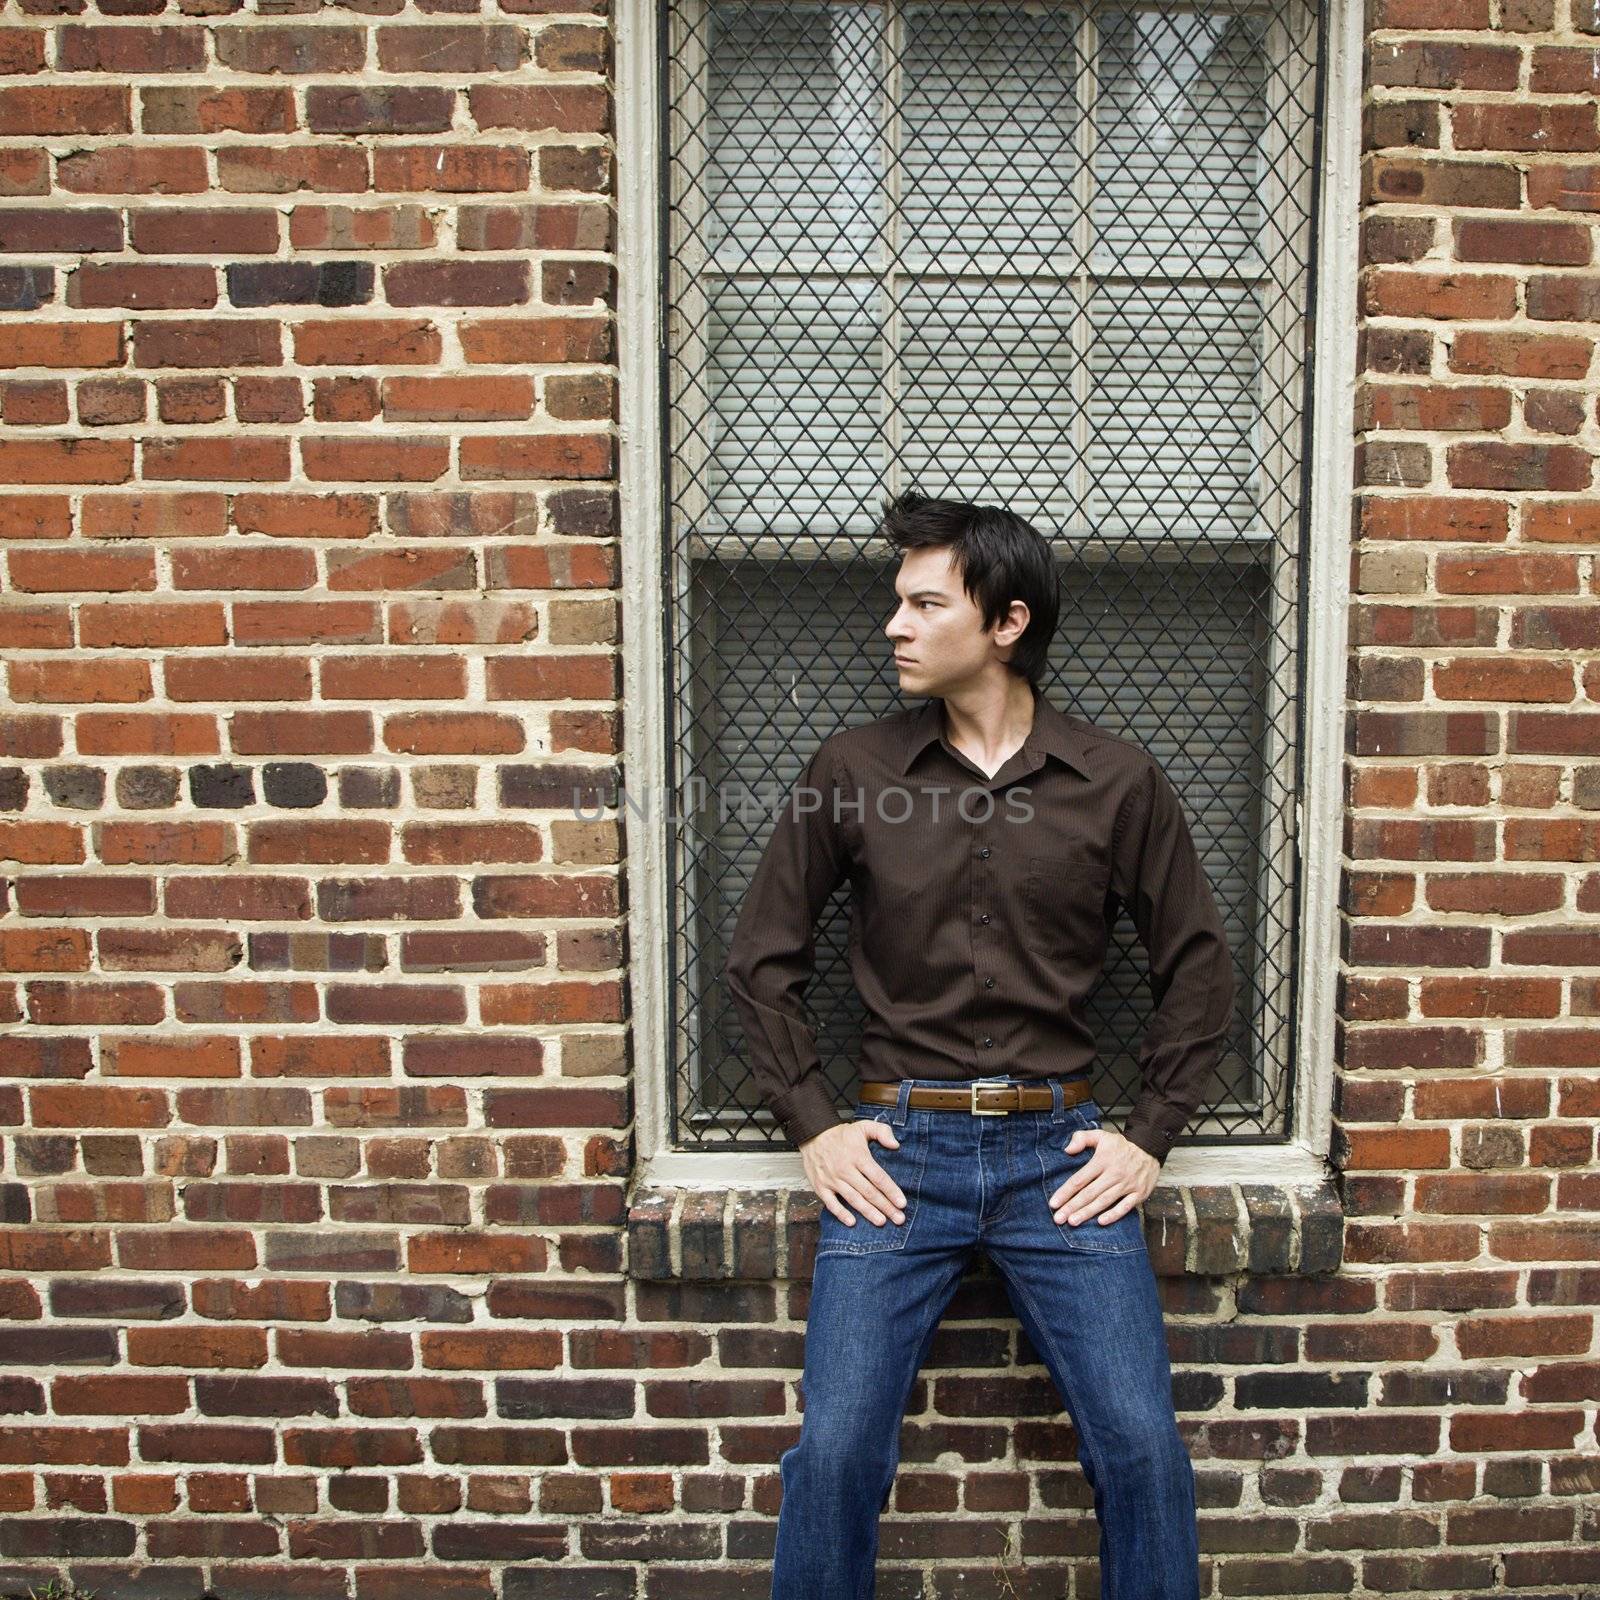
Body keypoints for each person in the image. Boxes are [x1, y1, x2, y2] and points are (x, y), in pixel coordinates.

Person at [724, 491, 1237, 1600]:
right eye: (893, 604)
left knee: (1144, 1452)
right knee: (838, 1453)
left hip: (1063, 1164)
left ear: (1004, 621)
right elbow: (761, 958)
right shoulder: (853, 770)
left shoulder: (1117, 781)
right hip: (893, 1162)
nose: (893, 628)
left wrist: (1147, 1137)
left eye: (922, 603)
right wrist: (814, 1125)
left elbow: (1196, 966)